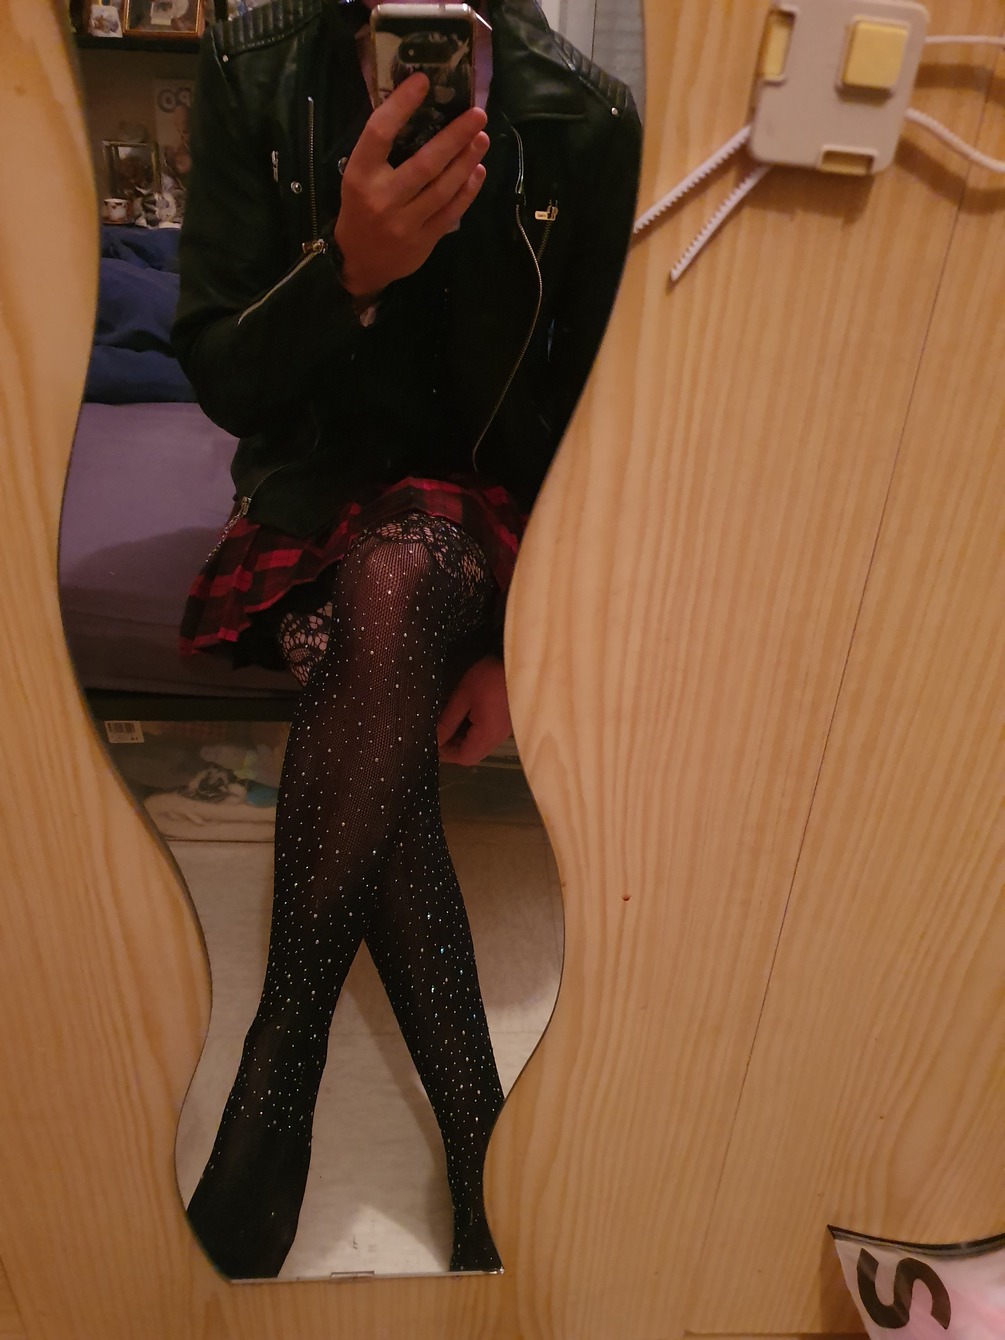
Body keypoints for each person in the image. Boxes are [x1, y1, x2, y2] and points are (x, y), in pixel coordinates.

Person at [172, 0, 640, 1279]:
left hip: (480, 520)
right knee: (381, 619)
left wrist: (521, 640)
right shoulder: (254, 68)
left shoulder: (585, 116)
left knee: (403, 576)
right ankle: (484, 1137)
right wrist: (349, 270)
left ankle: (278, 1080)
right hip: (314, 501)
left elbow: (596, 414)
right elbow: (218, 371)